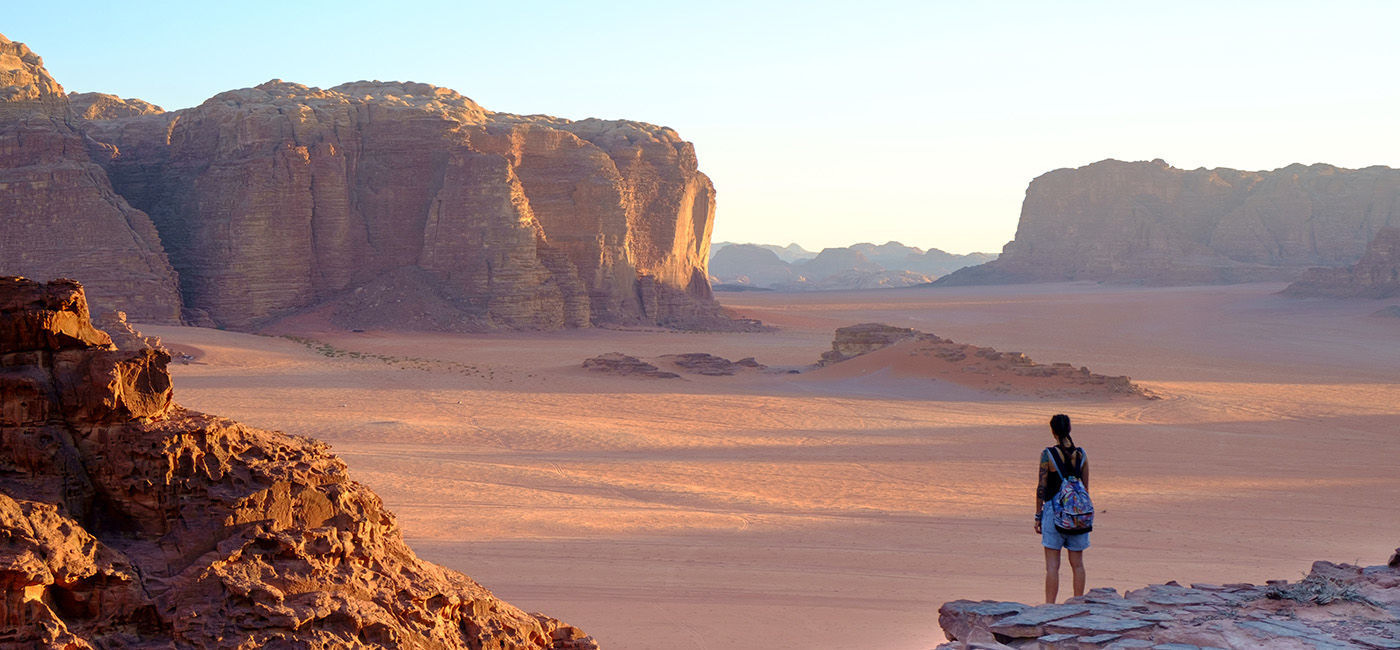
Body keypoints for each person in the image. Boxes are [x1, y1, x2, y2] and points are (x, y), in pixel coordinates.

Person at [1034, 413, 1089, 603]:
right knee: (1077, 564)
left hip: (1053, 513)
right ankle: (1078, 604)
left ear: (1053, 431)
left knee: (1052, 565)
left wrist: (1038, 515)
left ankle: (1050, 607)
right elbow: (1085, 488)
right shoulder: (1081, 454)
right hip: (1078, 515)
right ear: (1070, 429)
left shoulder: (1047, 455)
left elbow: (1041, 487)